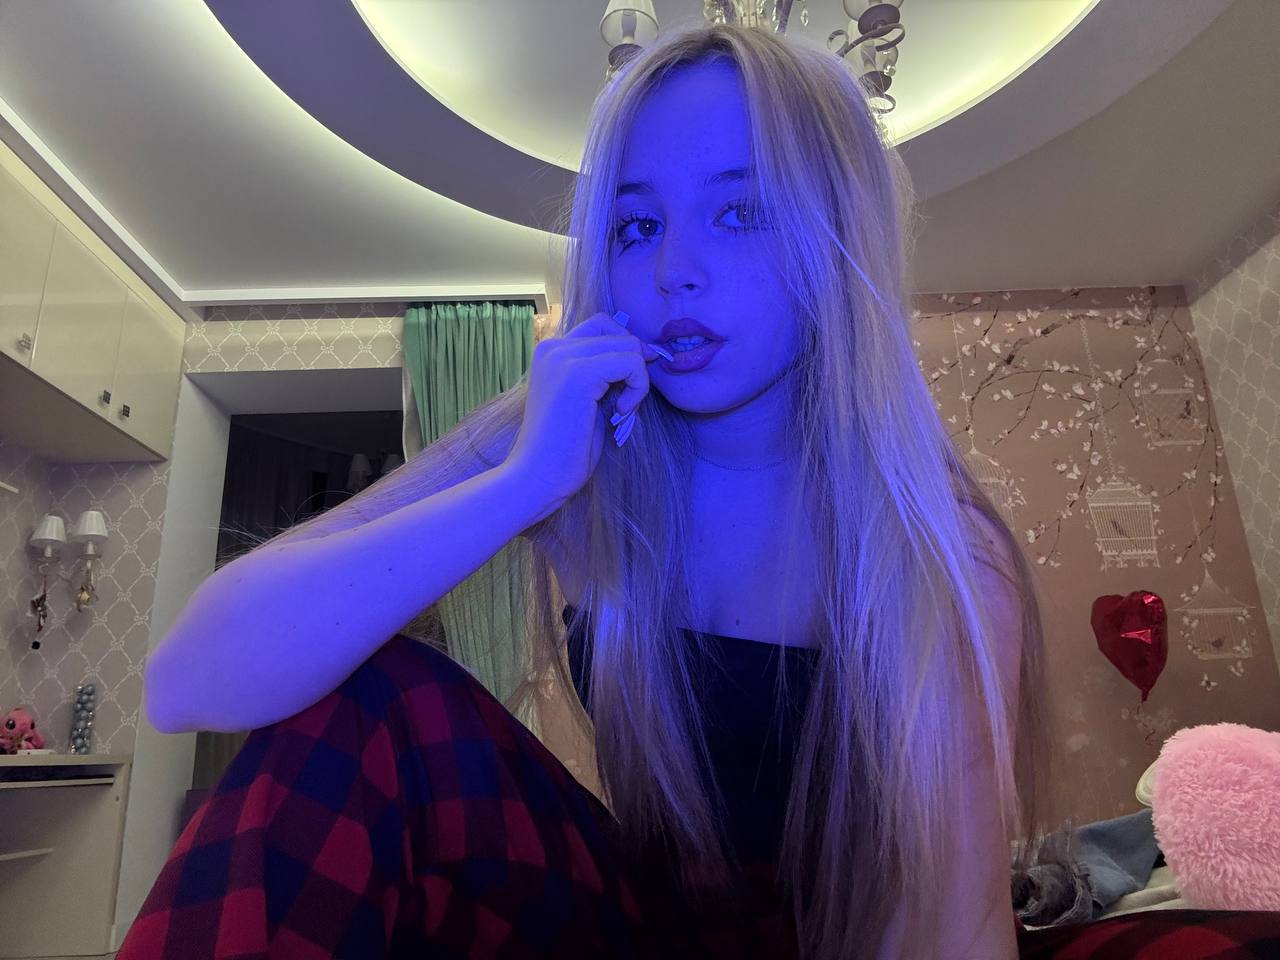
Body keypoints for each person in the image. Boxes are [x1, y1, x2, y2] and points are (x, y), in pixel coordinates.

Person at [123, 20, 1050, 960]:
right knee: (373, 699)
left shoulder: (940, 551)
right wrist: (521, 485)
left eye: (740, 213)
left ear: (838, 234)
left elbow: (955, 924)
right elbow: (184, 681)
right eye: (636, 226)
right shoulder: (565, 429)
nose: (672, 271)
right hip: (629, 925)